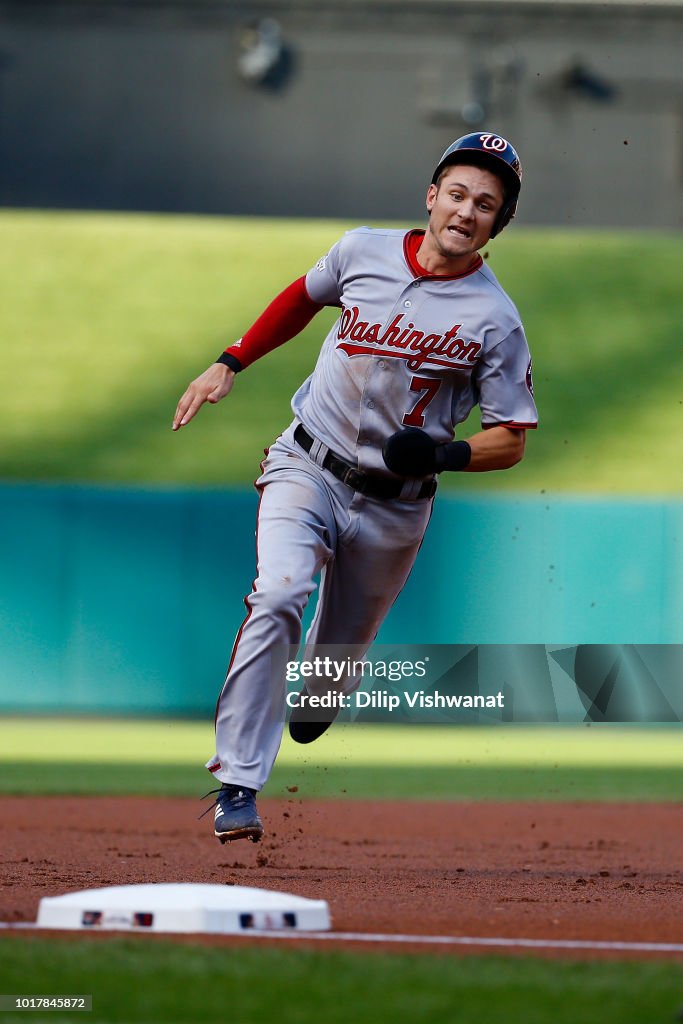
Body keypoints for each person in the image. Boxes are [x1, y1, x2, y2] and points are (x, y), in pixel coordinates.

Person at [173, 132, 538, 844]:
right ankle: (238, 784)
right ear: (431, 195)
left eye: (485, 204)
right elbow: (300, 299)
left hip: (394, 506)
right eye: (457, 193)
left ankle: (320, 692)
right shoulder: (360, 251)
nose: (466, 211)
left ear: (498, 222)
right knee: (277, 592)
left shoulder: (494, 319)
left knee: (330, 670)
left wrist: (447, 451)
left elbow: (512, 439)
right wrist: (229, 362)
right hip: (308, 463)